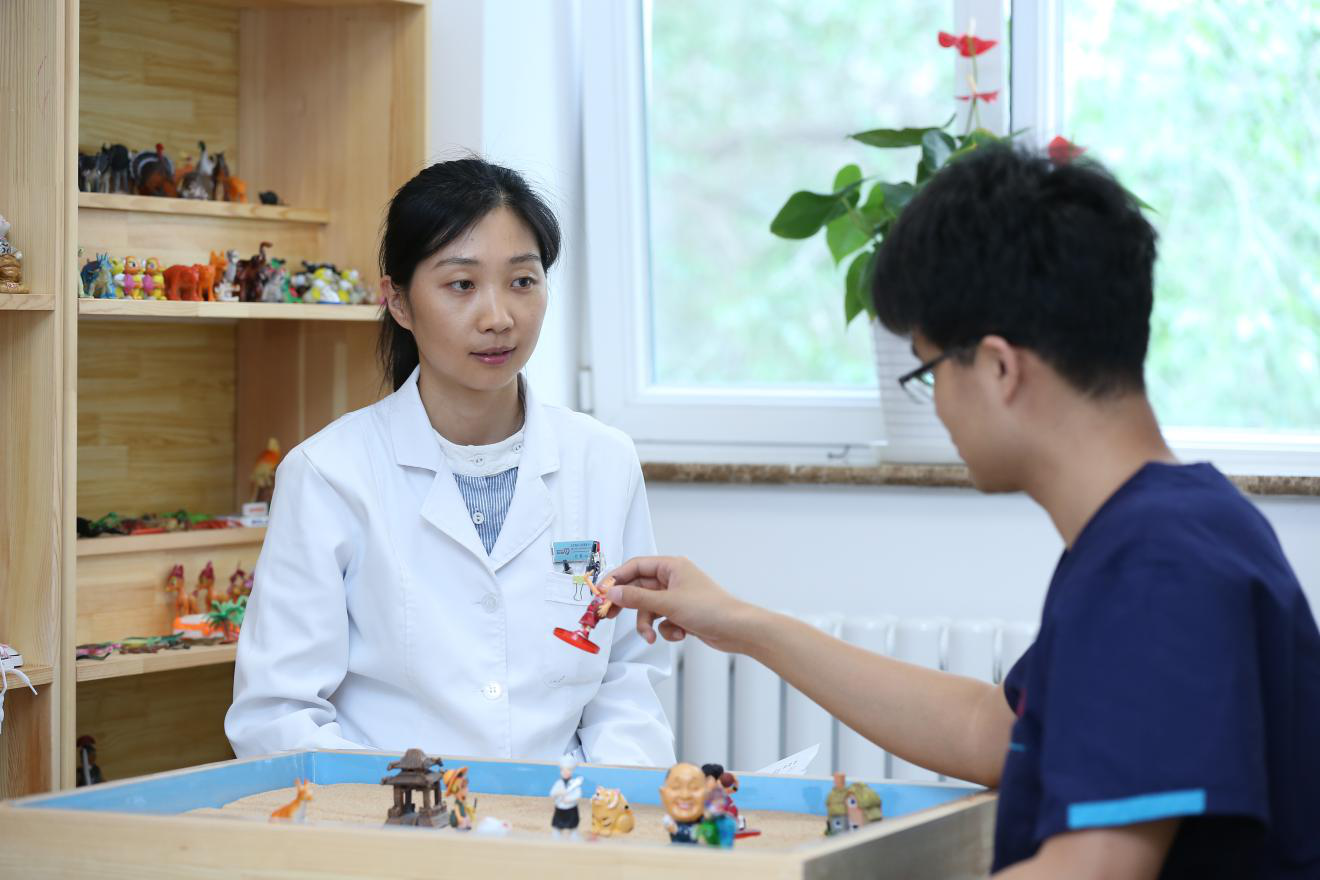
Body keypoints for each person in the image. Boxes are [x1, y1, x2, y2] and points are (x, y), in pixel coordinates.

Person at [602, 146, 1320, 878]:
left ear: (1000, 368)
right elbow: (990, 729)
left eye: (930, 370)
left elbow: (1093, 868)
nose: (937, 405)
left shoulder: (1157, 567)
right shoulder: (1180, 528)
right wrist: (742, 623)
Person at [225, 158, 674, 767]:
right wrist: (415, 806)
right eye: (462, 284)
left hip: (566, 812)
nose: (498, 317)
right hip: (393, 813)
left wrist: (600, 800)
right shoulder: (329, 474)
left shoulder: (604, 460)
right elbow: (278, 714)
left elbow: (627, 679)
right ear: (398, 302)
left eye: (522, 281)